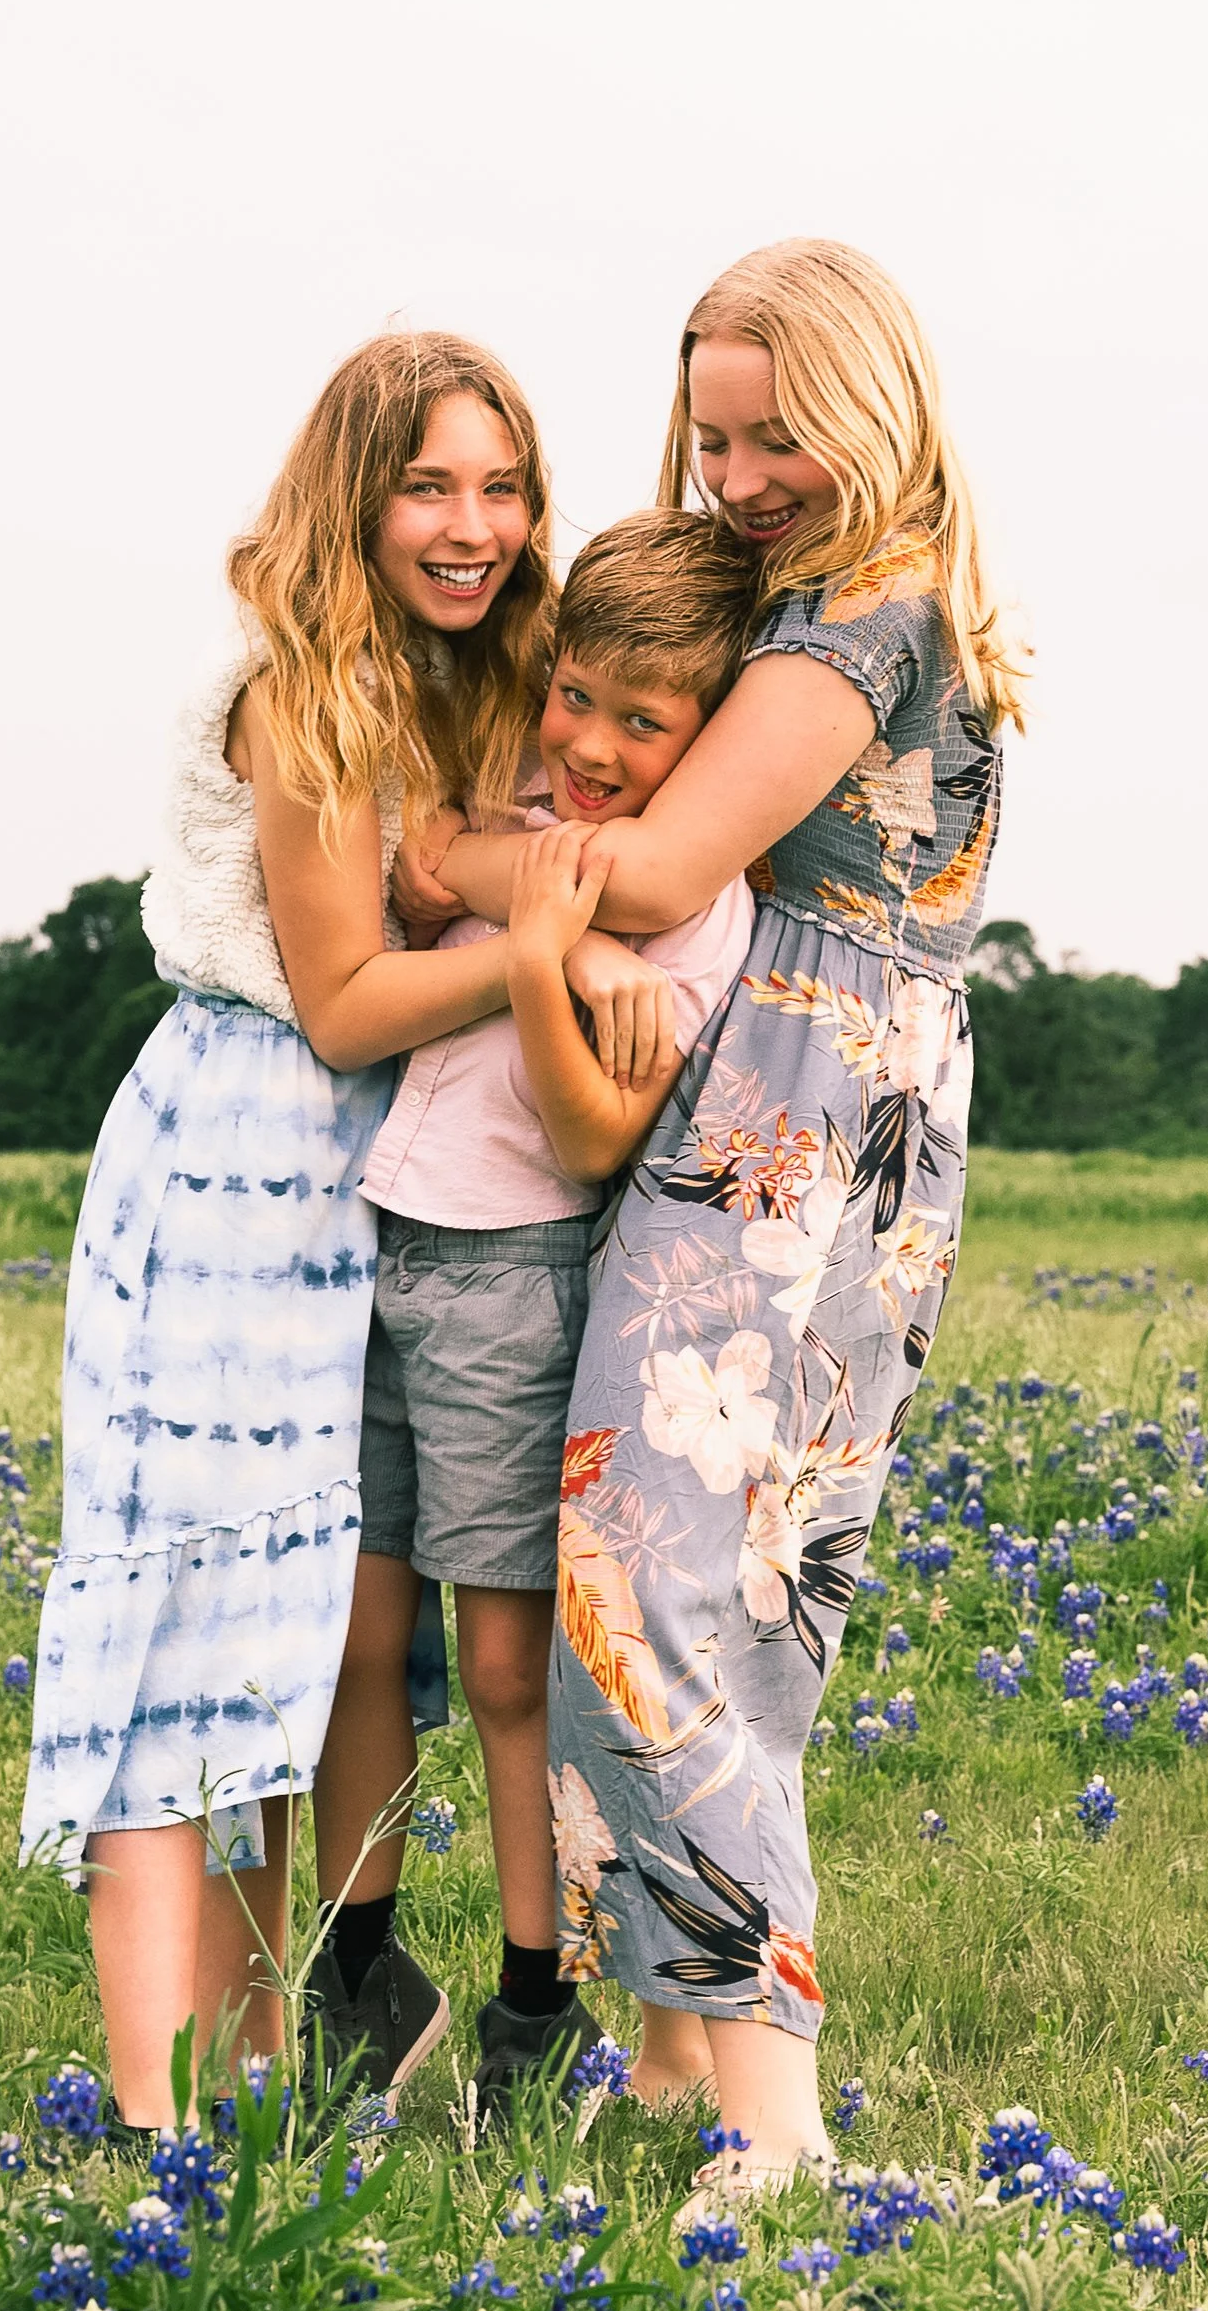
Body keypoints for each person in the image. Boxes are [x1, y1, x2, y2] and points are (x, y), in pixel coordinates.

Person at [398, 241, 1025, 2188]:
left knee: (651, 1581)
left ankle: (772, 2120)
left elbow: (660, 871)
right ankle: (676, 2062)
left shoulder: (861, 622)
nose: (735, 473)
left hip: (782, 1115)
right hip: (863, 1108)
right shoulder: (855, 593)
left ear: (864, 405)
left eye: (773, 433)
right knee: (733, 1587)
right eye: (711, 431)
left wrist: (436, 847)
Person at [19, 330, 674, 2136]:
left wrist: (542, 901)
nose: (471, 526)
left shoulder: (452, 677)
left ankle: (264, 2087)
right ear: (354, 496)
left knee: (297, 1640)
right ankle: (169, 2136)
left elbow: (467, 846)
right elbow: (341, 998)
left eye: (501, 486)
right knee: (192, 1635)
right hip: (241, 1160)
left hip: (367, 1193)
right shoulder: (298, 691)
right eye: (427, 486)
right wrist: (556, 952)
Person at [315, 509, 758, 2126]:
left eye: (648, 727)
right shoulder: (526, 811)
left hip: (516, 1275)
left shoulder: (695, 915)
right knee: (364, 1632)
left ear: (708, 747)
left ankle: (532, 2002)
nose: (593, 743)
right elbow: (427, 851)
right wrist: (542, 934)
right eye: (579, 697)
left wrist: (544, 967)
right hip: (381, 1245)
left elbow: (586, 1144)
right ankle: (359, 1971)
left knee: (503, 1666)